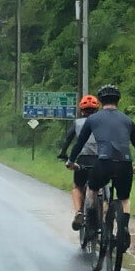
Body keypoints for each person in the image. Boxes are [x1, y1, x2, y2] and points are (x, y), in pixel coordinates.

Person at [66, 84, 135, 252]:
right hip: (125, 163)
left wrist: (71, 161)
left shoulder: (92, 119)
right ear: (118, 100)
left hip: (103, 162)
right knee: (124, 198)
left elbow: (79, 143)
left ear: (101, 101)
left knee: (92, 190)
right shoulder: (127, 120)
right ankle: (124, 228)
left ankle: (93, 223)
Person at [58, 95, 100, 230]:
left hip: (82, 159)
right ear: (97, 109)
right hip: (101, 160)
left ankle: (79, 212)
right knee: (100, 186)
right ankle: (103, 214)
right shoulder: (102, 122)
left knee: (77, 187)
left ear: (82, 110)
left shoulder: (77, 123)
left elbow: (68, 140)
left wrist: (63, 153)